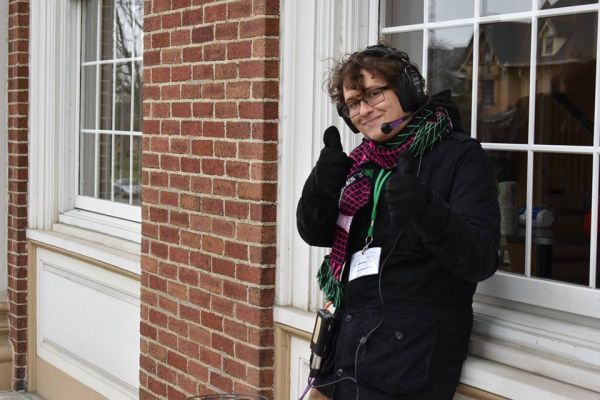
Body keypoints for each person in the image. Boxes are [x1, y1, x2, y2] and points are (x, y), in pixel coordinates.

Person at [296, 45, 500, 400]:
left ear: (407, 90)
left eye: (374, 93)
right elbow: (315, 233)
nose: (364, 110)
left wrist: (426, 210)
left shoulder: (459, 157)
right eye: (353, 103)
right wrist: (319, 189)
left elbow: (480, 259)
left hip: (408, 369)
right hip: (343, 359)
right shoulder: (361, 164)